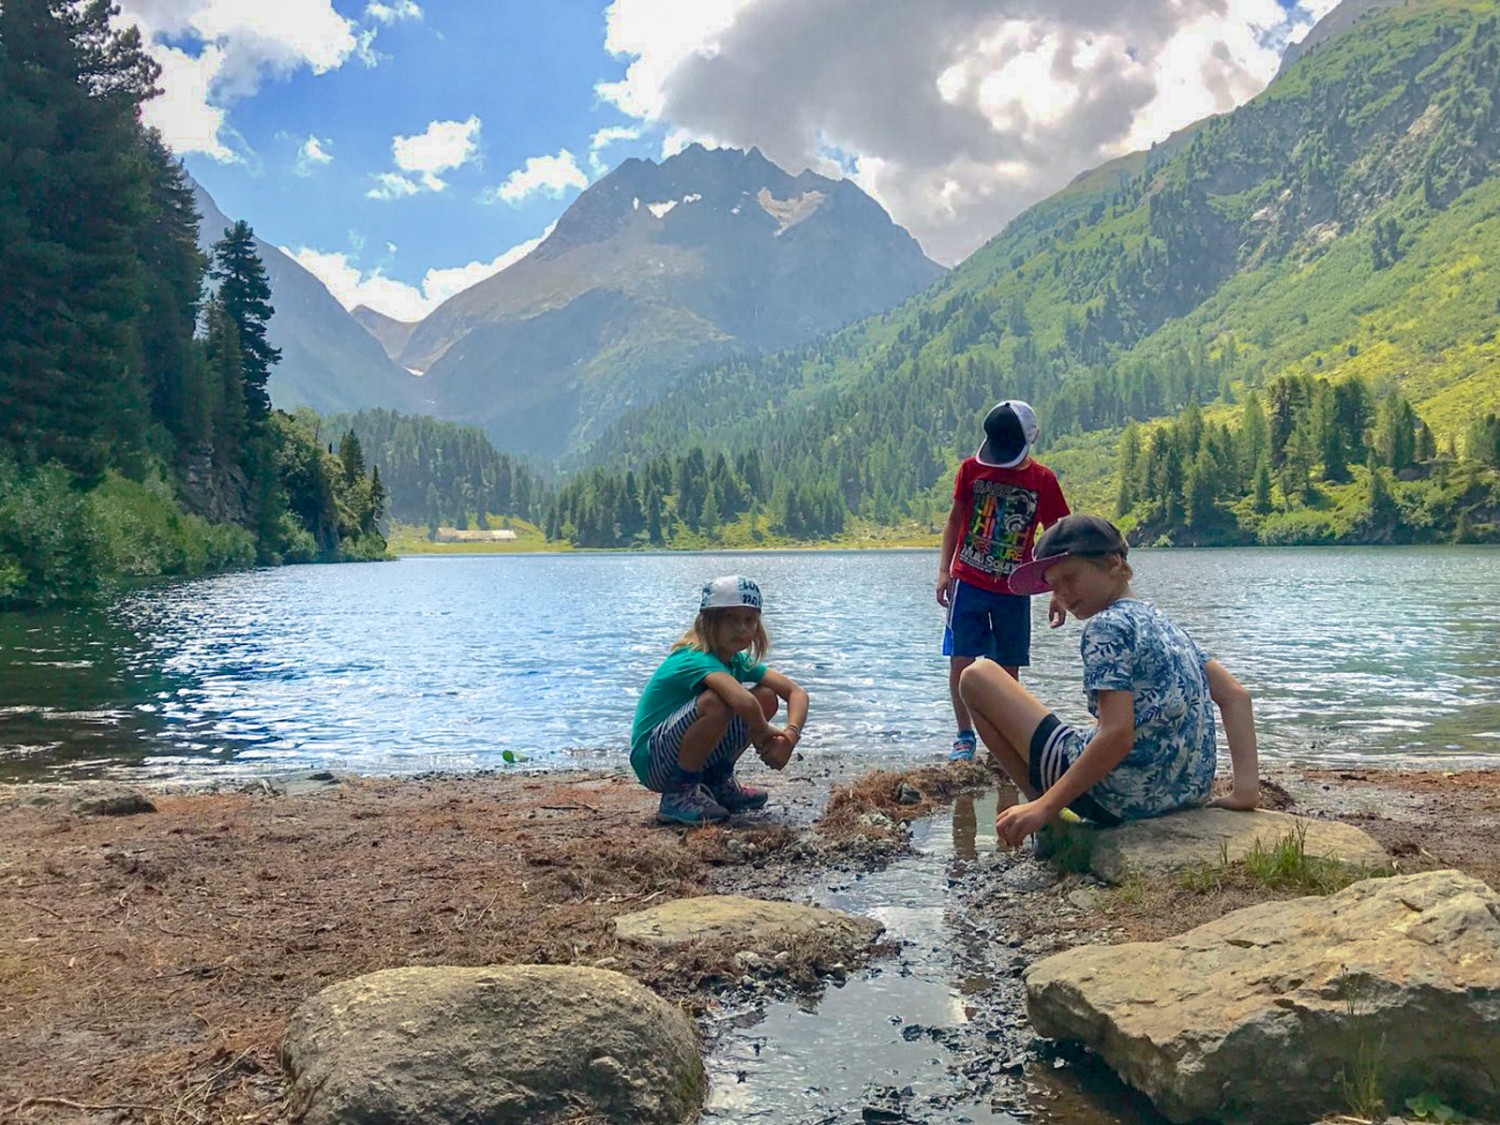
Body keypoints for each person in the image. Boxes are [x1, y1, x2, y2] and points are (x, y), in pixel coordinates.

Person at [958, 514, 1260, 848]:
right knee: (1087, 727)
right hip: (1185, 793)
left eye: (1070, 578)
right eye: (1054, 587)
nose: (1063, 595)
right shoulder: (1164, 624)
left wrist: (1043, 807)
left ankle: (1050, 825)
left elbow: (1117, 735)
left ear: (1113, 563)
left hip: (1118, 798)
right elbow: (1235, 695)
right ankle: (1050, 812)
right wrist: (1245, 791)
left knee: (976, 676)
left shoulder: (1106, 627)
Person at [936, 399, 1070, 762]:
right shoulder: (970, 470)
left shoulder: (1042, 480)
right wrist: (944, 570)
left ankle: (1004, 739)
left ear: (1033, 439)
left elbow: (1057, 539)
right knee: (961, 660)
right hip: (968, 581)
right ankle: (964, 735)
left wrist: (1059, 591)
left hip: (1014, 589)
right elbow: (954, 520)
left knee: (1007, 667)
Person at [630, 575, 809, 826]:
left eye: (749, 620)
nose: (742, 629)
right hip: (652, 760)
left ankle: (716, 781)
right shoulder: (693, 657)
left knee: (766, 697)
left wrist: (790, 737)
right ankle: (679, 793)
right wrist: (765, 733)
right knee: (717, 702)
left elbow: (796, 693)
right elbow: (742, 701)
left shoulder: (735, 660)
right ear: (709, 621)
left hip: (677, 751)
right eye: (731, 619)